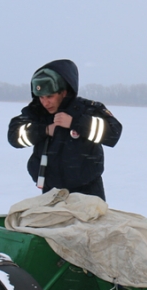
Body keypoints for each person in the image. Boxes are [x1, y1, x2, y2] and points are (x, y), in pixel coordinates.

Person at [7, 59, 122, 201]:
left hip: (88, 193)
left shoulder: (87, 109)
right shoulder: (37, 112)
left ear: (64, 92)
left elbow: (114, 133)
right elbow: (14, 137)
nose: (45, 102)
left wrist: (76, 123)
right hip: (51, 192)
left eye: (50, 96)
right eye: (41, 97)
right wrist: (44, 130)